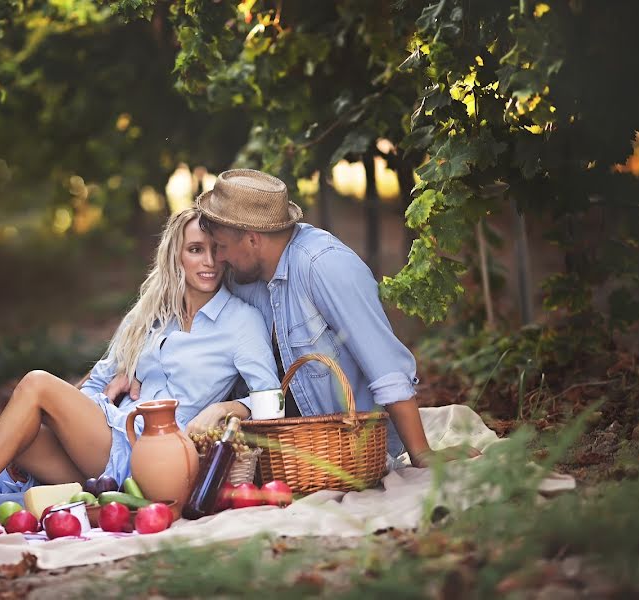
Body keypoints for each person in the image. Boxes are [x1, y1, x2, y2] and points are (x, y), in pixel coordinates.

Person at [0, 208, 279, 522]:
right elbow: (97, 381)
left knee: (38, 384)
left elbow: (271, 401)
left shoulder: (241, 321)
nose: (209, 261)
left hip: (151, 456)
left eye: (215, 250)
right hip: (106, 442)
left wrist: (226, 409)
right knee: (3, 428)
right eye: (195, 250)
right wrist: (64, 423)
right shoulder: (152, 315)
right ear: (175, 257)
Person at [191, 168, 480, 468]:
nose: (218, 259)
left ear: (252, 240)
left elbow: (386, 366)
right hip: (277, 442)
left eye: (221, 247)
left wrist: (421, 454)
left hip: (341, 445)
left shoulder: (324, 266)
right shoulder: (244, 276)